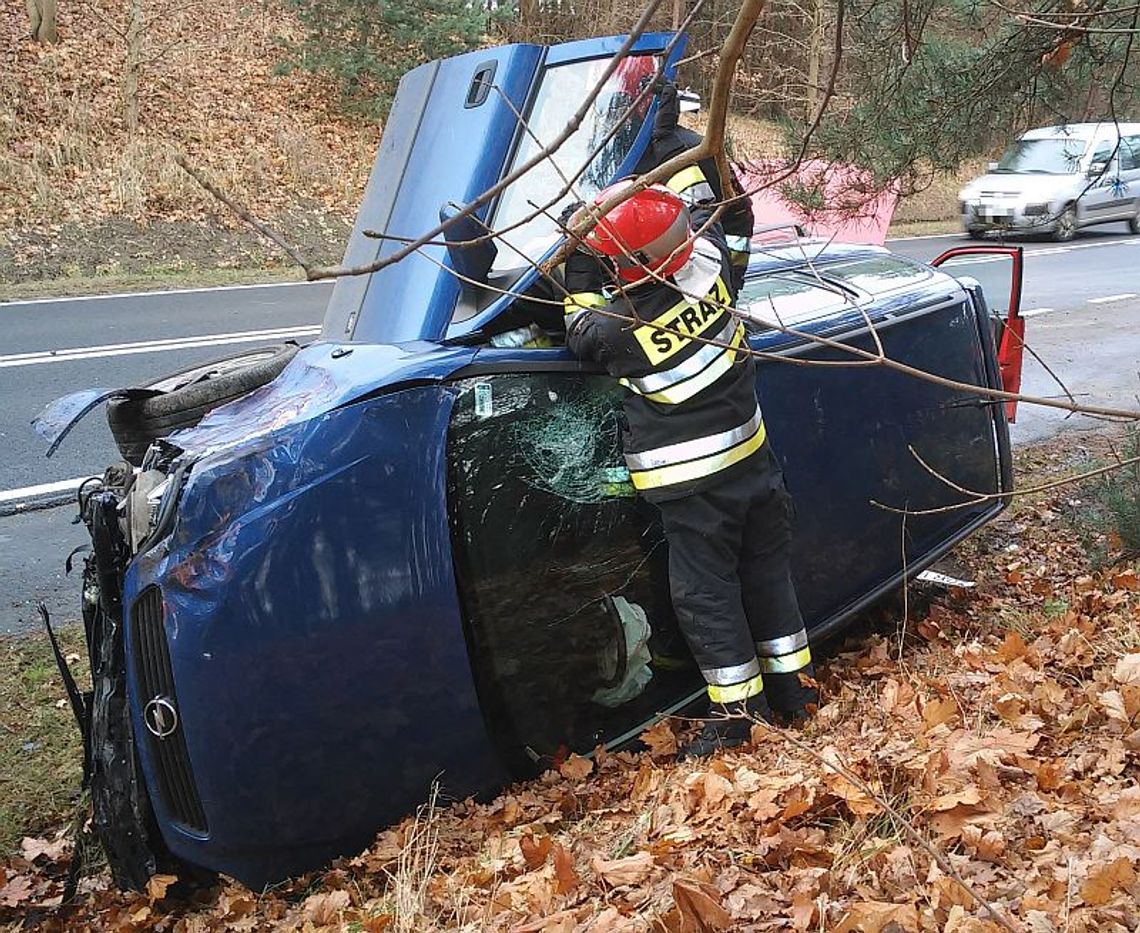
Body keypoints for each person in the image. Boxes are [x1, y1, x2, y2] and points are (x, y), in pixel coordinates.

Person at [562, 181, 817, 758]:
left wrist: (578, 248)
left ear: (632, 265)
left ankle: (735, 716)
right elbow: (715, 218)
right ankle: (793, 691)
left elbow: (577, 326)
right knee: (767, 577)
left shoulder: (620, 329)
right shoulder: (715, 265)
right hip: (754, 466)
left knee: (708, 597)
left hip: (697, 492)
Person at [633, 81, 754, 296]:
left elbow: (733, 215)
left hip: (700, 277)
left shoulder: (692, 149)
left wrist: (730, 280)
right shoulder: (622, 154)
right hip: (661, 277)